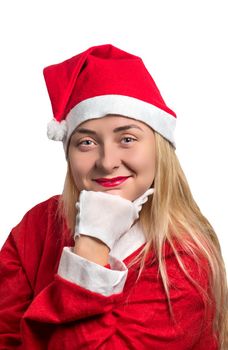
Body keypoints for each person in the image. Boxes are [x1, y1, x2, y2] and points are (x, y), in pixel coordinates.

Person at [0, 44, 227, 350]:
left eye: (127, 139)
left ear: (159, 147)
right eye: (87, 142)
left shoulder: (184, 261)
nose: (107, 162)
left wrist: (92, 244)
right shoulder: (38, 225)